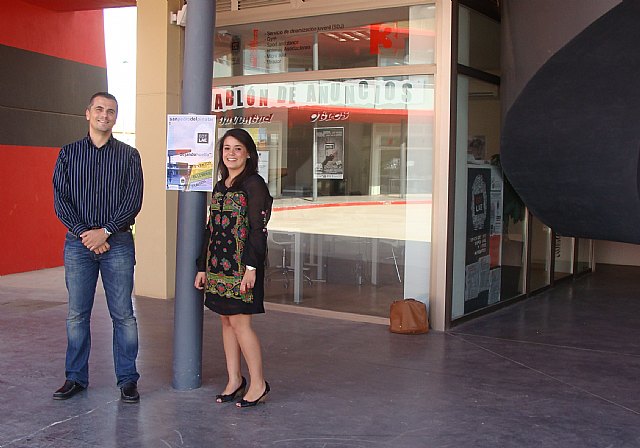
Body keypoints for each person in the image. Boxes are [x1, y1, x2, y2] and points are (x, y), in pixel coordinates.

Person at [52, 92, 144, 403]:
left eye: (111, 111)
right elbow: (61, 200)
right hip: (78, 245)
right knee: (77, 315)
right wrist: (86, 234)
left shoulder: (129, 156)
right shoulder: (68, 154)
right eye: (100, 109)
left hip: (117, 243)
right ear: (88, 113)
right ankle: (75, 377)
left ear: (116, 118)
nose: (105, 115)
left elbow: (133, 201)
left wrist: (104, 232)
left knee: (124, 315)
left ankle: (128, 379)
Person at [195, 128, 273, 408]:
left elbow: (258, 229)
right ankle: (234, 380)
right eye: (226, 148)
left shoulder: (254, 184)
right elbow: (211, 228)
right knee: (226, 321)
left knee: (241, 324)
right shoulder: (220, 186)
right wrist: (202, 266)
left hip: (243, 266)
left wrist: (252, 267)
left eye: (238, 148)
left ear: (248, 153)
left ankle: (258, 383)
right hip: (218, 266)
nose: (231, 154)